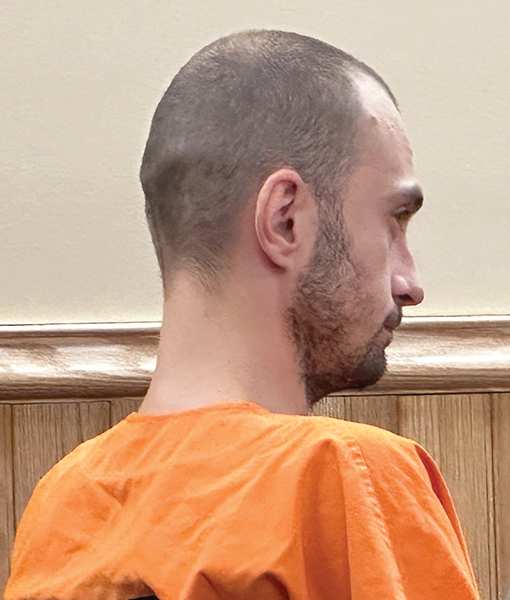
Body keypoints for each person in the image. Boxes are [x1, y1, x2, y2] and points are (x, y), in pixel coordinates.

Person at [6, 30, 479, 600]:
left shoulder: (61, 504)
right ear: (285, 220)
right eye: (394, 220)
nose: (411, 283)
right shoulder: (344, 473)